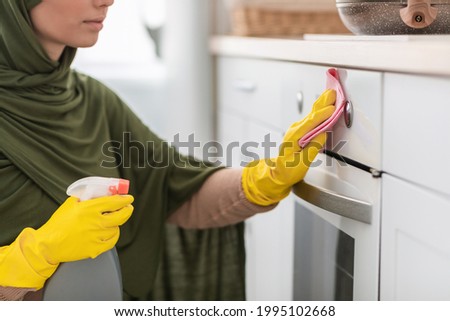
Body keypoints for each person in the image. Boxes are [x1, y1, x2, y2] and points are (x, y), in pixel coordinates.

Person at [0, 0, 336, 301]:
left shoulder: (91, 101)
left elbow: (173, 186)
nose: (107, 1)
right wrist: (30, 256)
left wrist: (264, 179)